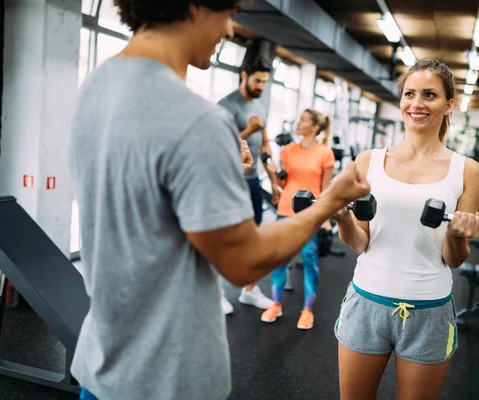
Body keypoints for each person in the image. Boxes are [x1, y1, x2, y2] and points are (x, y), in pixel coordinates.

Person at [67, 2, 371, 400]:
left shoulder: (96, 84)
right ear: (194, 6)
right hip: (170, 379)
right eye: (226, 13)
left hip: (103, 363)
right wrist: (328, 202)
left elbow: (148, 206)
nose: (229, 30)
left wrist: (228, 164)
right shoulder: (195, 120)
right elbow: (242, 261)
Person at [331, 59, 479, 400]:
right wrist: (342, 218)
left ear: (448, 105)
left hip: (429, 310)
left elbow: (455, 259)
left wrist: (458, 235)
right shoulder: (368, 161)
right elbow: (360, 242)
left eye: (429, 95)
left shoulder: (467, 170)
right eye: (409, 94)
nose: (416, 104)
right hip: (366, 301)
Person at [260, 108, 335, 330]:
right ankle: (275, 304)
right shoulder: (288, 151)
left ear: (314, 127)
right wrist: (273, 172)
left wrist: (325, 217)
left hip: (309, 214)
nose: (298, 123)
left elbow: (327, 190)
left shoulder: (325, 153)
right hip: (285, 209)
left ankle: (307, 310)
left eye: (303, 120)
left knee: (309, 260)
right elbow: (283, 184)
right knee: (279, 259)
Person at [217, 56, 278, 315]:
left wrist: (274, 181)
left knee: (253, 236)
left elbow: (264, 145)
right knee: (222, 237)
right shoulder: (226, 105)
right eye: (257, 80)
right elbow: (217, 143)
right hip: (228, 179)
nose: (261, 86)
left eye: (265, 81)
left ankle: (250, 291)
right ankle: (215, 293)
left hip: (252, 179)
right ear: (244, 75)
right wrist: (248, 130)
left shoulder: (261, 104)